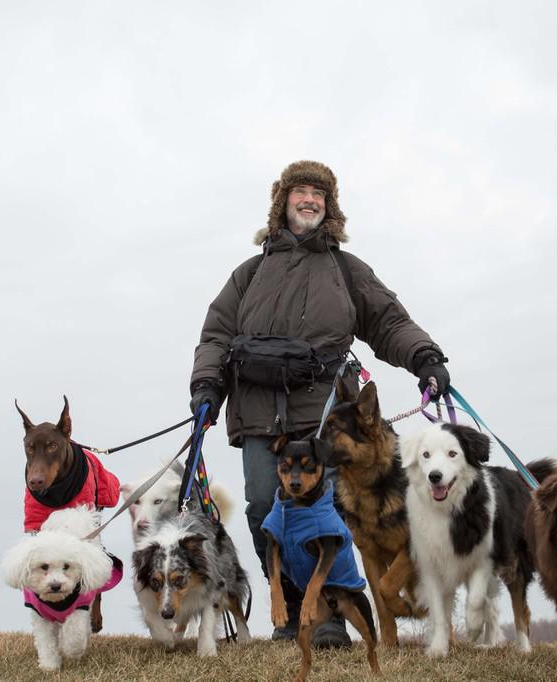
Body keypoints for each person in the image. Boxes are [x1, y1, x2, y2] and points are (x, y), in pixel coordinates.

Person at [189, 160, 449, 647]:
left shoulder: (346, 270)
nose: (309, 200)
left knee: (326, 512)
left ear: (329, 207)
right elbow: (217, 337)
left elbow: (389, 322)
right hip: (260, 411)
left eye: (319, 194)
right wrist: (206, 388)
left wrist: (426, 358)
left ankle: (329, 614)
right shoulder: (248, 275)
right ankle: (289, 611)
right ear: (282, 201)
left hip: (328, 413)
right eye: (300, 191)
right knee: (266, 507)